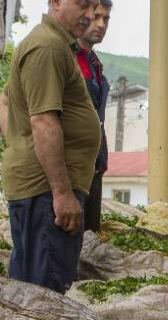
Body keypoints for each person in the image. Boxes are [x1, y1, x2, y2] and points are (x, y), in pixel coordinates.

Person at [2, 0, 100, 293]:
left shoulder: (54, 44)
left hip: (43, 190)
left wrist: (21, 143)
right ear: (56, 2)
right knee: (45, 296)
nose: (89, 14)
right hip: (47, 194)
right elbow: (44, 121)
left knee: (31, 292)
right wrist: (61, 193)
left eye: (93, 7)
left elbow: (6, 102)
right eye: (83, 4)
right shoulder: (47, 47)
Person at [77, 0, 112, 232]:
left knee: (89, 239)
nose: (101, 24)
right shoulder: (66, 57)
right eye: (97, 16)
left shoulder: (95, 63)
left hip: (95, 166)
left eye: (106, 19)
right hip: (72, 170)